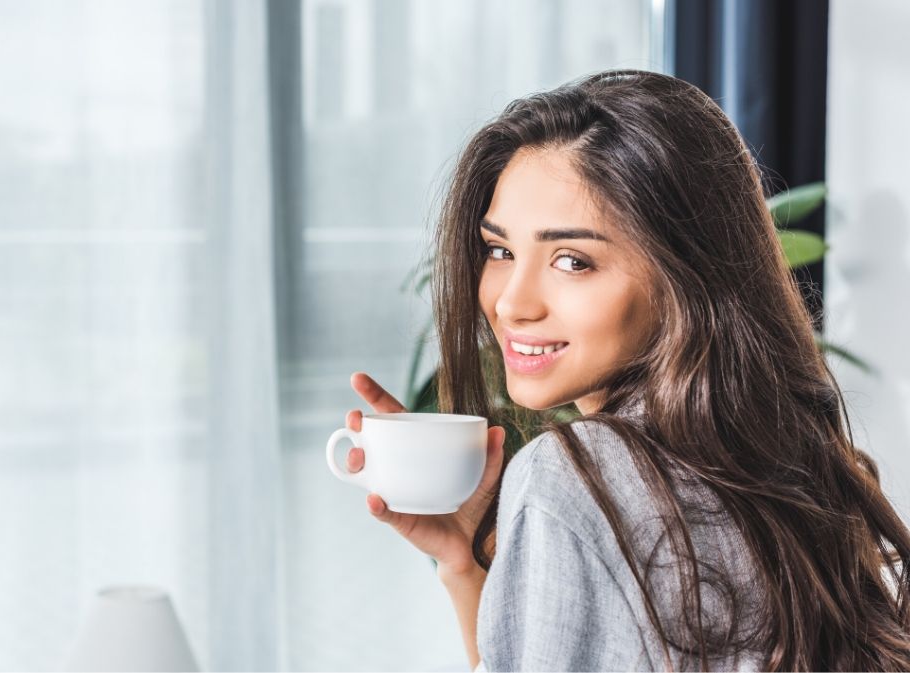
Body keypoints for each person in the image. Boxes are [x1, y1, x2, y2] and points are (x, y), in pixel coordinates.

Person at [340, 69, 910, 671]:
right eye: (501, 251)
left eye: (572, 260)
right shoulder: (787, 464)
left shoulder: (575, 474)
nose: (512, 303)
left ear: (682, 278)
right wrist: (465, 565)